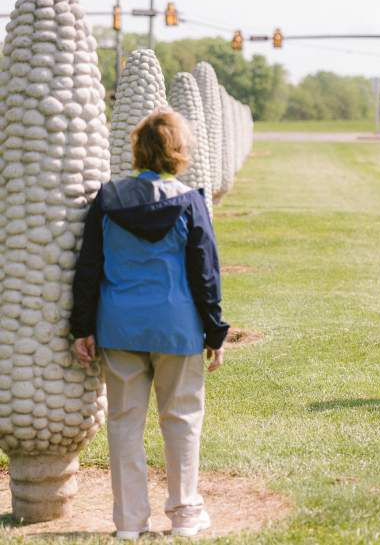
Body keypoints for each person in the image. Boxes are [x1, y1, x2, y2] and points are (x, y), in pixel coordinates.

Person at [69, 108, 229, 540]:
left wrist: (81, 326)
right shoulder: (191, 202)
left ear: (138, 150)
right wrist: (215, 330)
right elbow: (205, 273)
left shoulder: (108, 199)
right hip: (176, 327)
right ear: (179, 152)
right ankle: (184, 514)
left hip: (119, 326)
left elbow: (89, 266)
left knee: (124, 423)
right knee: (181, 418)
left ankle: (129, 523)